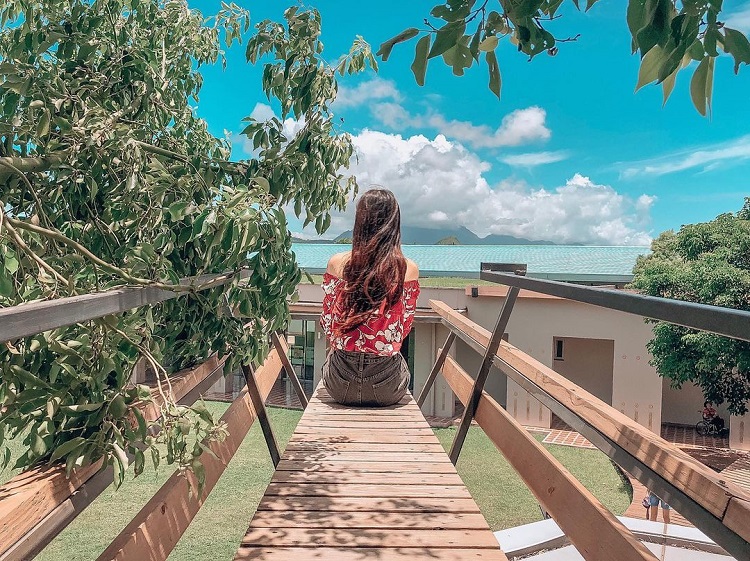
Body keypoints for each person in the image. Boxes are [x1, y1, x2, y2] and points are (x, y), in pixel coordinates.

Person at [320, 188, 420, 407]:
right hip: (387, 386)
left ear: (360, 221)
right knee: (400, 364)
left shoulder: (337, 263)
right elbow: (403, 328)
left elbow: (327, 323)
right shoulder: (408, 269)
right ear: (394, 223)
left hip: (340, 385)